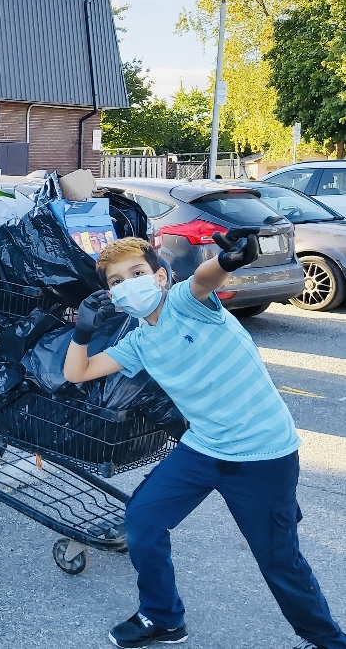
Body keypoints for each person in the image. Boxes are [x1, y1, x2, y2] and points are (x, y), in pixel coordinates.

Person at [62, 235, 346, 649]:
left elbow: (203, 279)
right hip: (205, 447)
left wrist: (228, 259)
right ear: (112, 295)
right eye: (118, 281)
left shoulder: (184, 303)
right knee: (143, 520)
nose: (130, 284)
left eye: (138, 273)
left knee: (279, 561)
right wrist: (83, 332)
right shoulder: (140, 341)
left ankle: (328, 640)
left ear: (159, 277)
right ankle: (162, 617)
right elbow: (78, 372)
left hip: (262, 454)